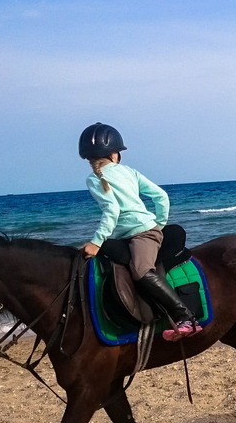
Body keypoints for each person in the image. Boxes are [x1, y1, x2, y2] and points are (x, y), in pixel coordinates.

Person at [79, 122, 202, 341]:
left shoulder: (94, 178)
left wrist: (96, 241)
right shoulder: (129, 172)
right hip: (139, 232)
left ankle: (185, 316)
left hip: (142, 234)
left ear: (89, 158)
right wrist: (160, 224)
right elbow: (161, 197)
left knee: (141, 270)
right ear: (115, 154)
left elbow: (112, 210)